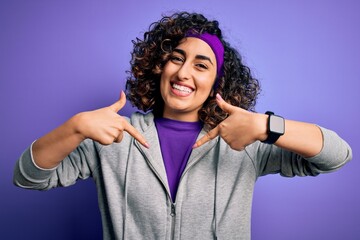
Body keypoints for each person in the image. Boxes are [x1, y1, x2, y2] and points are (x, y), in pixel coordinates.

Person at [14, 12, 352, 240]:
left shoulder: (243, 141)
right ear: (159, 67)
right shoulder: (113, 136)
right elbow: (27, 176)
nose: (183, 73)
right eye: (177, 58)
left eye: (201, 65)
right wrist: (74, 128)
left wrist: (267, 126)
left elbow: (336, 155)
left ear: (217, 83)